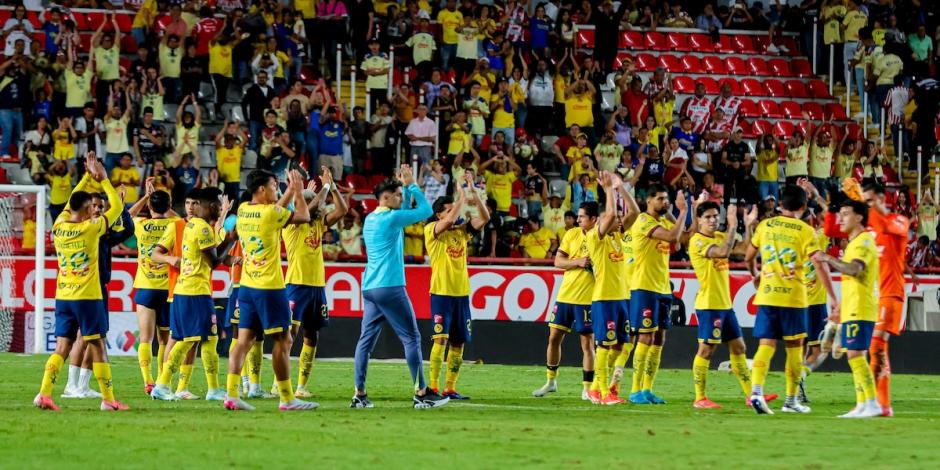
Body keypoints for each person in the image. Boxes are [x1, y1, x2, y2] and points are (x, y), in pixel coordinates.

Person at [34, 153, 128, 411]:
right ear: (87, 209)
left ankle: (44, 393)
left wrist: (87, 177)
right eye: (90, 206)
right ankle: (108, 400)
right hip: (87, 297)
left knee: (62, 345)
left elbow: (72, 200)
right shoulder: (91, 228)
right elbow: (118, 209)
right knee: (96, 343)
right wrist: (104, 179)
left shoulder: (59, 226)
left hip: (63, 296)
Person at [351, 165, 449, 409]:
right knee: (411, 338)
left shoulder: (372, 218)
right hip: (390, 286)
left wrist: (404, 187)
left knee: (365, 341)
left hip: (370, 287)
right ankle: (421, 392)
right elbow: (425, 210)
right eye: (397, 195)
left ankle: (359, 394)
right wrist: (413, 185)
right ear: (386, 198)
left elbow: (403, 212)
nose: (401, 198)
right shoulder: (392, 218)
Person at [225, 169, 318, 411]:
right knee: (283, 340)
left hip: (246, 285)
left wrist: (286, 192)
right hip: (270, 287)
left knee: (242, 341)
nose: (275, 190)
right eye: (272, 186)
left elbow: (276, 208)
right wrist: (295, 191)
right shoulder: (269, 214)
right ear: (261, 190)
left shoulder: (243, 209)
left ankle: (231, 394)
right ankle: (287, 398)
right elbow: (304, 216)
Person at [745, 185, 836, 415]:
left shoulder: (765, 225)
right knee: (795, 348)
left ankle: (756, 392)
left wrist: (754, 274)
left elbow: (748, 255)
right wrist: (833, 296)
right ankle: (791, 400)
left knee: (766, 345)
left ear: (780, 205)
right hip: (794, 297)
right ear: (803, 207)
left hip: (767, 294)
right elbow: (818, 263)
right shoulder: (805, 231)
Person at [149, 187, 237, 402]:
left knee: (209, 339)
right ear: (210, 206)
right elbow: (214, 261)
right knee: (188, 340)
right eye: (217, 204)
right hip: (194, 291)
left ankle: (213, 389)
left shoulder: (193, 225)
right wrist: (231, 239)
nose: (219, 208)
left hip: (188, 289)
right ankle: (161, 385)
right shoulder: (202, 228)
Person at [689, 201, 777, 409]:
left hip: (725, 305)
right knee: (706, 350)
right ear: (699, 219)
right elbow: (721, 252)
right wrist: (731, 225)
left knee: (739, 347)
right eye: (708, 217)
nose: (712, 220)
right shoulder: (697, 242)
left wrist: (746, 225)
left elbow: (745, 248)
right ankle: (700, 398)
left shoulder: (720, 237)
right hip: (709, 305)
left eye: (715, 216)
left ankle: (750, 396)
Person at [284, 167, 349, 398]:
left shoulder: (318, 226)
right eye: (318, 206)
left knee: (312, 335)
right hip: (296, 284)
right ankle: (279, 383)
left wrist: (334, 189)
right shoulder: (292, 226)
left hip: (317, 286)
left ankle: (301, 385)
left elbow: (343, 210)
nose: (322, 208)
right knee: (289, 334)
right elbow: (309, 208)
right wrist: (324, 189)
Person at [425, 172, 490, 399]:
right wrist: (461, 196)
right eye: (449, 209)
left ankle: (449, 387)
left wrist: (473, 192)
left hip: (461, 294)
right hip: (441, 293)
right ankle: (432, 386)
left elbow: (484, 218)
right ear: (438, 214)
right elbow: (450, 220)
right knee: (440, 339)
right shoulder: (431, 231)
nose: (455, 212)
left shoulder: (462, 233)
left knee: (458, 341)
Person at [815, 199, 883, 418]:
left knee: (855, 355)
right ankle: (862, 404)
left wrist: (827, 258)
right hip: (854, 307)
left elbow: (855, 270)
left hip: (862, 308)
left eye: (845, 214)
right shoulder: (853, 243)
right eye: (839, 213)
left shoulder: (863, 243)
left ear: (859, 217)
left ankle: (871, 402)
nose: (840, 218)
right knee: (855, 355)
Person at [629, 184, 689, 405]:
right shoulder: (643, 221)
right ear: (649, 201)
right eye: (661, 199)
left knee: (659, 339)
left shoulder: (662, 221)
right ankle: (635, 390)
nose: (665, 202)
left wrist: (691, 207)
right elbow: (674, 237)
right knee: (645, 336)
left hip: (663, 288)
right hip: (644, 287)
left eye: (667, 199)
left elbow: (685, 237)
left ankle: (647, 389)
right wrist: (682, 211)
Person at [585, 172, 640, 405]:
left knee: (619, 345)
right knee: (604, 345)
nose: (618, 222)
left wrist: (622, 187)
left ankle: (597, 388)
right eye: (610, 221)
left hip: (621, 298)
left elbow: (635, 213)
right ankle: (604, 393)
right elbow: (611, 214)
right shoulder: (594, 237)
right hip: (604, 298)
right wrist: (609, 189)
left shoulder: (618, 236)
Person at [127, 182, 178, 394]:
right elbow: (186, 219)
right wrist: (165, 207)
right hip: (168, 288)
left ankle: (148, 381)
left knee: (145, 339)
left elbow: (126, 215)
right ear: (169, 205)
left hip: (146, 286)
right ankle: (161, 381)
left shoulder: (141, 223)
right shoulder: (175, 224)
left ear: (150, 206)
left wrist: (145, 199)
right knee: (165, 339)